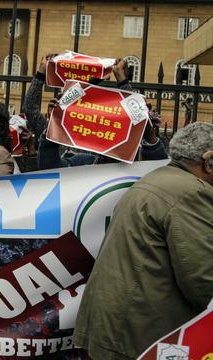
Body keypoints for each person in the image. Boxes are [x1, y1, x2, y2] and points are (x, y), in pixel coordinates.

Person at [73, 122, 213, 360]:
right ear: (209, 161)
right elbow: (203, 279)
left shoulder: (154, 180)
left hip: (116, 327)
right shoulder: (191, 193)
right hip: (138, 334)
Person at [36, 58, 167, 169]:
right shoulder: (83, 162)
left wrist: (149, 132)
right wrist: (55, 122)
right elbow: (50, 167)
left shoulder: (135, 166)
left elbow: (159, 171)